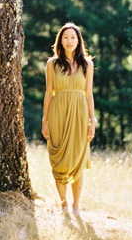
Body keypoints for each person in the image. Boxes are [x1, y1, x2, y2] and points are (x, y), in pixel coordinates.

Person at [41, 22, 96, 217]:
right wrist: (44, 120)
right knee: (58, 160)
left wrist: (93, 120)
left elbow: (88, 94)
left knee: (78, 160)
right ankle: (63, 204)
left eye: (73, 37)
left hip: (80, 114)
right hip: (58, 112)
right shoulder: (52, 64)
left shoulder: (87, 64)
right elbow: (49, 93)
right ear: (60, 41)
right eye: (66, 37)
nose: (69, 41)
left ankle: (76, 205)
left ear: (79, 40)